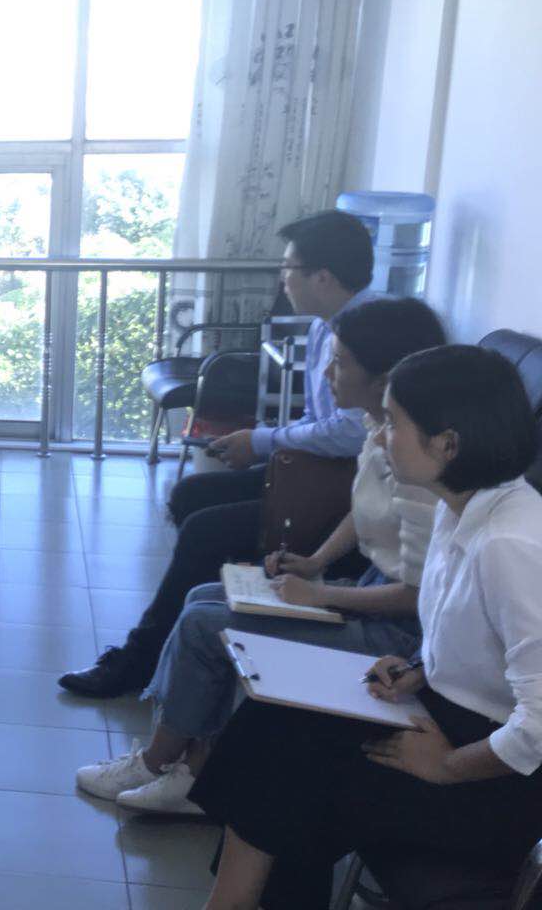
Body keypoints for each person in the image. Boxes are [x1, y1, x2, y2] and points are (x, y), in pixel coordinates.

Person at [190, 345, 542, 910]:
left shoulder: (510, 543)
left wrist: (447, 768)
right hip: (453, 720)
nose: (379, 438)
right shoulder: (463, 510)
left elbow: (538, 725)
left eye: (393, 424)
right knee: (271, 721)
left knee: (288, 772)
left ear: (448, 444)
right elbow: (482, 640)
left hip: (497, 782)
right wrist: (419, 671)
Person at [75, 297, 446, 815]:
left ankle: (163, 767)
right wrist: (315, 562)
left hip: (399, 638)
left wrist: (321, 595)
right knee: (204, 595)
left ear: (383, 378)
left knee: (205, 624)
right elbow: (364, 510)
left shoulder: (420, 464)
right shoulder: (380, 427)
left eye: (340, 363)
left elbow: (421, 597)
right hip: (366, 591)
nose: (327, 373)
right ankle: (195, 765)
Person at [60, 209, 381, 697]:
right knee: (190, 496)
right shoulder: (326, 326)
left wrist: (263, 441)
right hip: (317, 475)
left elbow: (350, 433)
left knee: (204, 529)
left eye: (289, 268)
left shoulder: (367, 334)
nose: (283, 278)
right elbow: (319, 418)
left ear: (323, 276)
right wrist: (261, 436)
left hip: (341, 492)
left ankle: (140, 660)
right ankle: (203, 632)